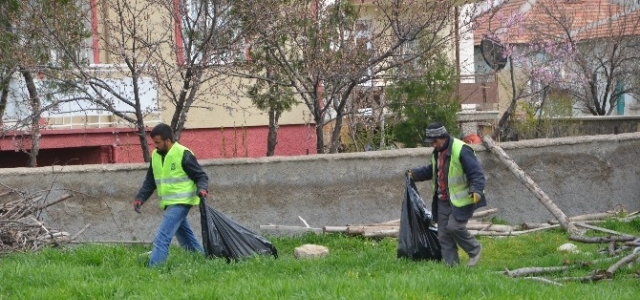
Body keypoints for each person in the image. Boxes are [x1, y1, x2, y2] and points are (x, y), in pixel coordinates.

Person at [408, 122, 487, 267]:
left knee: (454, 227)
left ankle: (474, 249)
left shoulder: (462, 150)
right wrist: (414, 174)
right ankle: (452, 267)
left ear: (443, 137)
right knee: (443, 235)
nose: (432, 144)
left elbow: (476, 173)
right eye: (430, 142)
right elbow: (434, 170)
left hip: (463, 200)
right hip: (443, 201)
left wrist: (476, 190)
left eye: (434, 141)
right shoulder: (438, 152)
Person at [133, 123, 209, 267]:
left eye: (157, 142)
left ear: (168, 140)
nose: (155, 145)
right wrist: (140, 198)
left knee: (162, 236)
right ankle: (203, 260)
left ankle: (154, 270)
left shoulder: (183, 154)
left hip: (182, 201)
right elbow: (150, 181)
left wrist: (202, 189)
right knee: (185, 236)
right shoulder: (155, 155)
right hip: (169, 203)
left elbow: (201, 176)